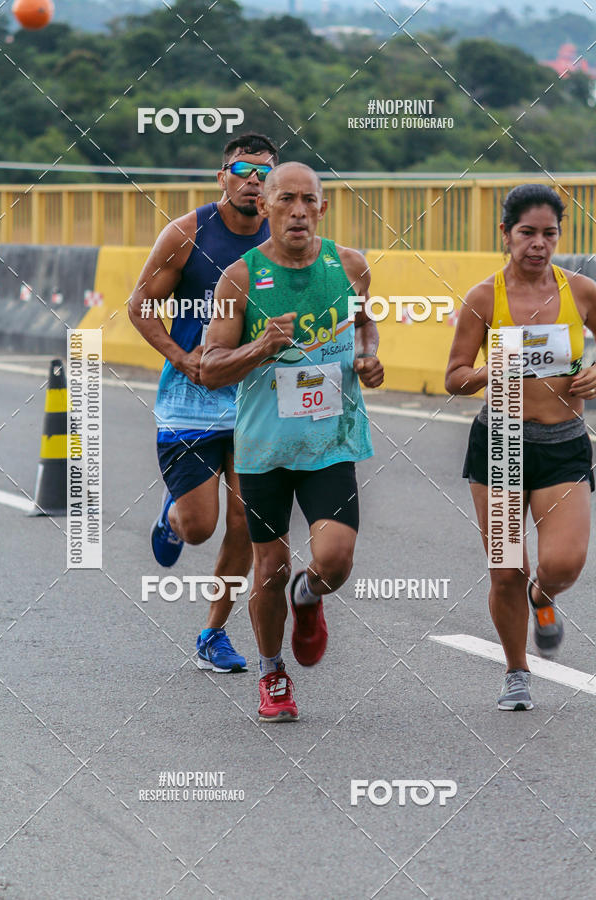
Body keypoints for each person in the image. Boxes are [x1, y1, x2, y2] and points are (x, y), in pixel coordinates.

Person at [200, 161, 384, 721]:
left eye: (309, 200)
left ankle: (311, 596)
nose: (298, 210)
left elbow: (364, 323)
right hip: (264, 449)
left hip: (331, 439)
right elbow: (210, 367)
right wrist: (260, 347)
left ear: (322, 208)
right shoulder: (239, 277)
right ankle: (271, 673)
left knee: (335, 557)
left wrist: (368, 356)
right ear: (265, 207)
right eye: (285, 200)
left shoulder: (349, 265)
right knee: (269, 568)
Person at [128, 132, 279, 674]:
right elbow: (140, 305)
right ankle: (172, 517)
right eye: (243, 170)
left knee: (244, 522)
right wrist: (183, 357)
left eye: (265, 173)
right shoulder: (187, 234)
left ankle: (213, 632)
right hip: (190, 400)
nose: (254, 181)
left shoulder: (283, 239)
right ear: (223, 177)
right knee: (200, 527)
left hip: (256, 401)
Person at [445, 183, 596, 711]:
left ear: (560, 236)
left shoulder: (580, 291)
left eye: (549, 233)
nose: (538, 243)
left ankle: (545, 598)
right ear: (505, 234)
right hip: (502, 442)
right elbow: (454, 378)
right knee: (508, 568)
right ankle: (516, 671)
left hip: (564, 444)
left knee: (564, 563)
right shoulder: (485, 297)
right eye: (527, 232)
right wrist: (492, 371)